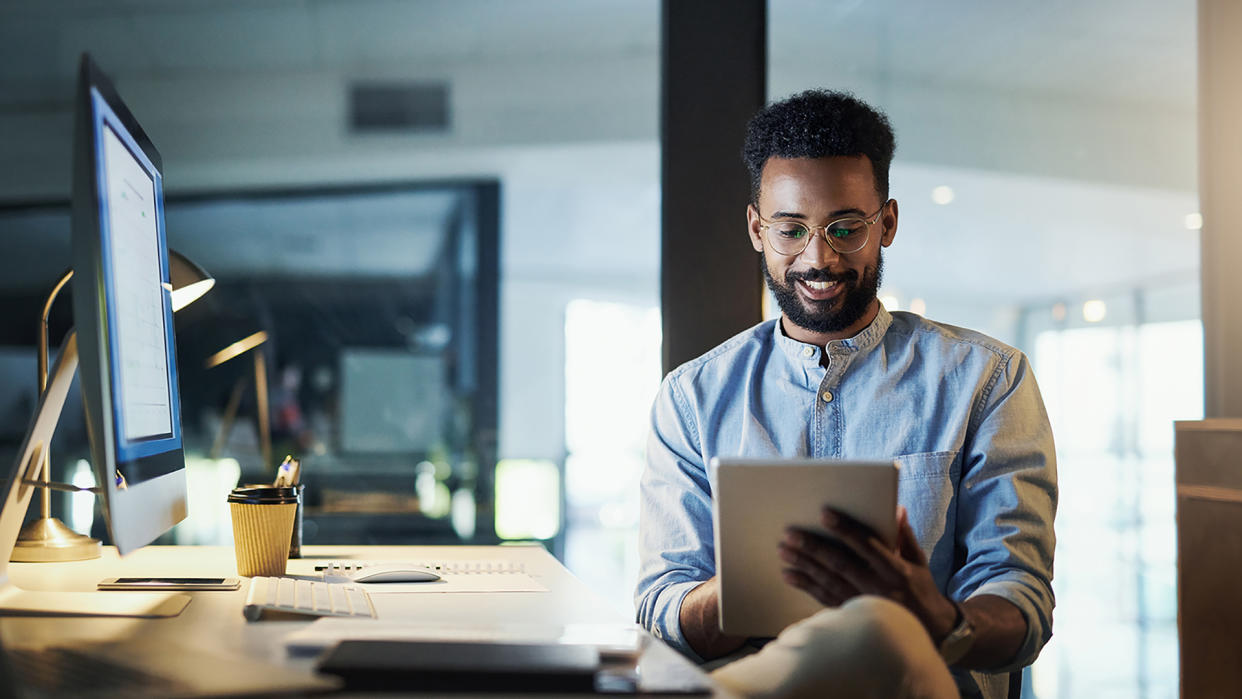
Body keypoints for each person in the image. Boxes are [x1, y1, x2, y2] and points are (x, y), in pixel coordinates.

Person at [635, 90, 1057, 699]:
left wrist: (937, 619)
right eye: (791, 230)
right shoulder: (691, 398)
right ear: (757, 229)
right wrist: (753, 586)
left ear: (885, 224)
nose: (819, 257)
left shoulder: (987, 379)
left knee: (884, 626)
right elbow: (661, 606)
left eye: (845, 228)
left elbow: (1021, 604)